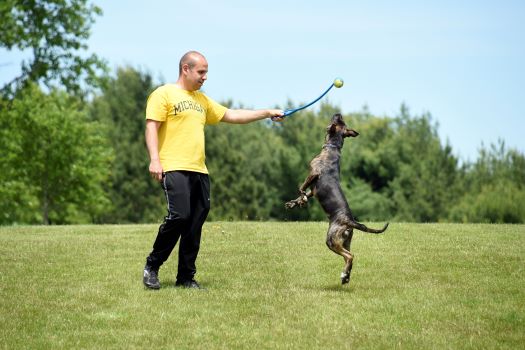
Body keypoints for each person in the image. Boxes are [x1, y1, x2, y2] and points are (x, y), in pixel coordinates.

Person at [143, 51, 283, 289]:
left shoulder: (202, 101)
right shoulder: (163, 94)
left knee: (194, 222)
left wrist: (267, 113)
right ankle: (152, 266)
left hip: (199, 170)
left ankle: (186, 278)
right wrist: (154, 159)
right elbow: (151, 127)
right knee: (179, 216)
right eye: (201, 72)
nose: (205, 77)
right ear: (185, 69)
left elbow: (232, 114)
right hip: (173, 166)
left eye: (206, 72)